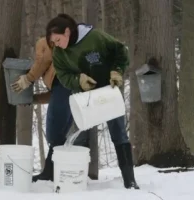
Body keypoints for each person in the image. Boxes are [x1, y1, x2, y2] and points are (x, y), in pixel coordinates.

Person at [45, 13, 140, 189]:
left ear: (67, 32)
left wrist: (117, 71)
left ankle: (130, 179)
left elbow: (121, 50)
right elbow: (64, 75)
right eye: (53, 43)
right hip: (84, 95)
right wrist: (78, 80)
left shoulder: (95, 37)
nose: (56, 45)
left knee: (119, 133)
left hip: (108, 91)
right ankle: (64, 175)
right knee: (74, 131)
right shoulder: (59, 53)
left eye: (57, 40)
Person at [11, 37, 89, 182]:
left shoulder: (44, 43)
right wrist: (33, 99)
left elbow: (41, 64)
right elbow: (55, 95)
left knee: (54, 134)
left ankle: (51, 172)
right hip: (71, 91)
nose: (37, 59)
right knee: (58, 136)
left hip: (68, 88)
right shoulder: (54, 73)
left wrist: (29, 78)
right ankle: (53, 171)